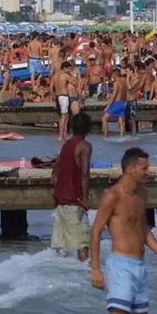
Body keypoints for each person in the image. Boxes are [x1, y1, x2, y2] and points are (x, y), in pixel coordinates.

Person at [89, 147, 157, 314]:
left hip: (139, 265)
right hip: (120, 265)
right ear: (130, 169)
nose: (148, 172)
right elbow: (96, 231)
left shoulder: (142, 194)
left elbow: (142, 227)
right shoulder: (113, 196)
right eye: (145, 168)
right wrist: (95, 269)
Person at [51, 112, 93, 261]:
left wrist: (57, 192)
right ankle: (85, 281)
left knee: (60, 247)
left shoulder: (66, 145)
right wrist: (85, 199)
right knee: (82, 244)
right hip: (74, 201)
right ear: (88, 129)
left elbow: (55, 171)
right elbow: (85, 174)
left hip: (60, 200)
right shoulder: (85, 146)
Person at [102, 69, 129, 138]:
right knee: (121, 120)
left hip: (117, 103)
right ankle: (122, 137)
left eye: (112, 74)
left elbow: (113, 96)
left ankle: (105, 137)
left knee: (104, 118)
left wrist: (108, 106)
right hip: (124, 103)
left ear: (114, 74)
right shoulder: (124, 82)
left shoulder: (116, 83)